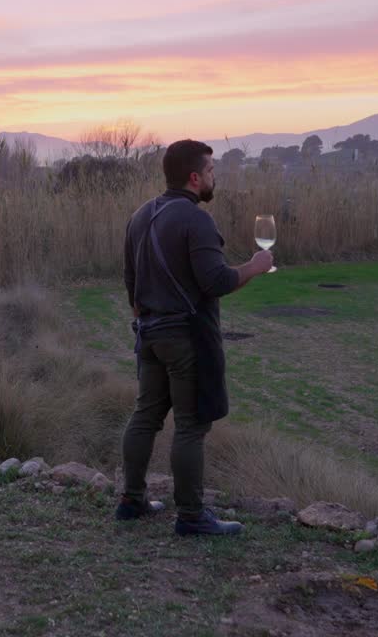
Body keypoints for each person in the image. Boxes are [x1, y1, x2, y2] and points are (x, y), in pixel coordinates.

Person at [116, 139, 275, 535]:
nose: (213, 177)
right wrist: (254, 266)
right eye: (210, 171)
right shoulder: (196, 219)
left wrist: (150, 314)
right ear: (193, 177)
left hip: (148, 335)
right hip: (185, 338)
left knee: (145, 417)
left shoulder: (140, 215)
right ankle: (191, 517)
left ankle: (131, 500)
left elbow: (131, 285)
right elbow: (216, 281)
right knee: (190, 426)